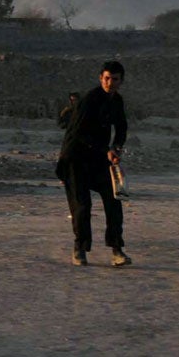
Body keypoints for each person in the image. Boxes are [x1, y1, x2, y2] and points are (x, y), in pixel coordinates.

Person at [56, 61, 130, 267]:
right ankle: (80, 248)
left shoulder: (117, 101)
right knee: (82, 206)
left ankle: (117, 250)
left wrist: (117, 147)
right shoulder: (89, 100)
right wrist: (105, 150)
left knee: (114, 201)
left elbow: (122, 126)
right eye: (106, 78)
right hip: (75, 158)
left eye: (115, 79)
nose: (110, 83)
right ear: (100, 78)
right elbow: (79, 134)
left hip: (99, 159)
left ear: (121, 81)